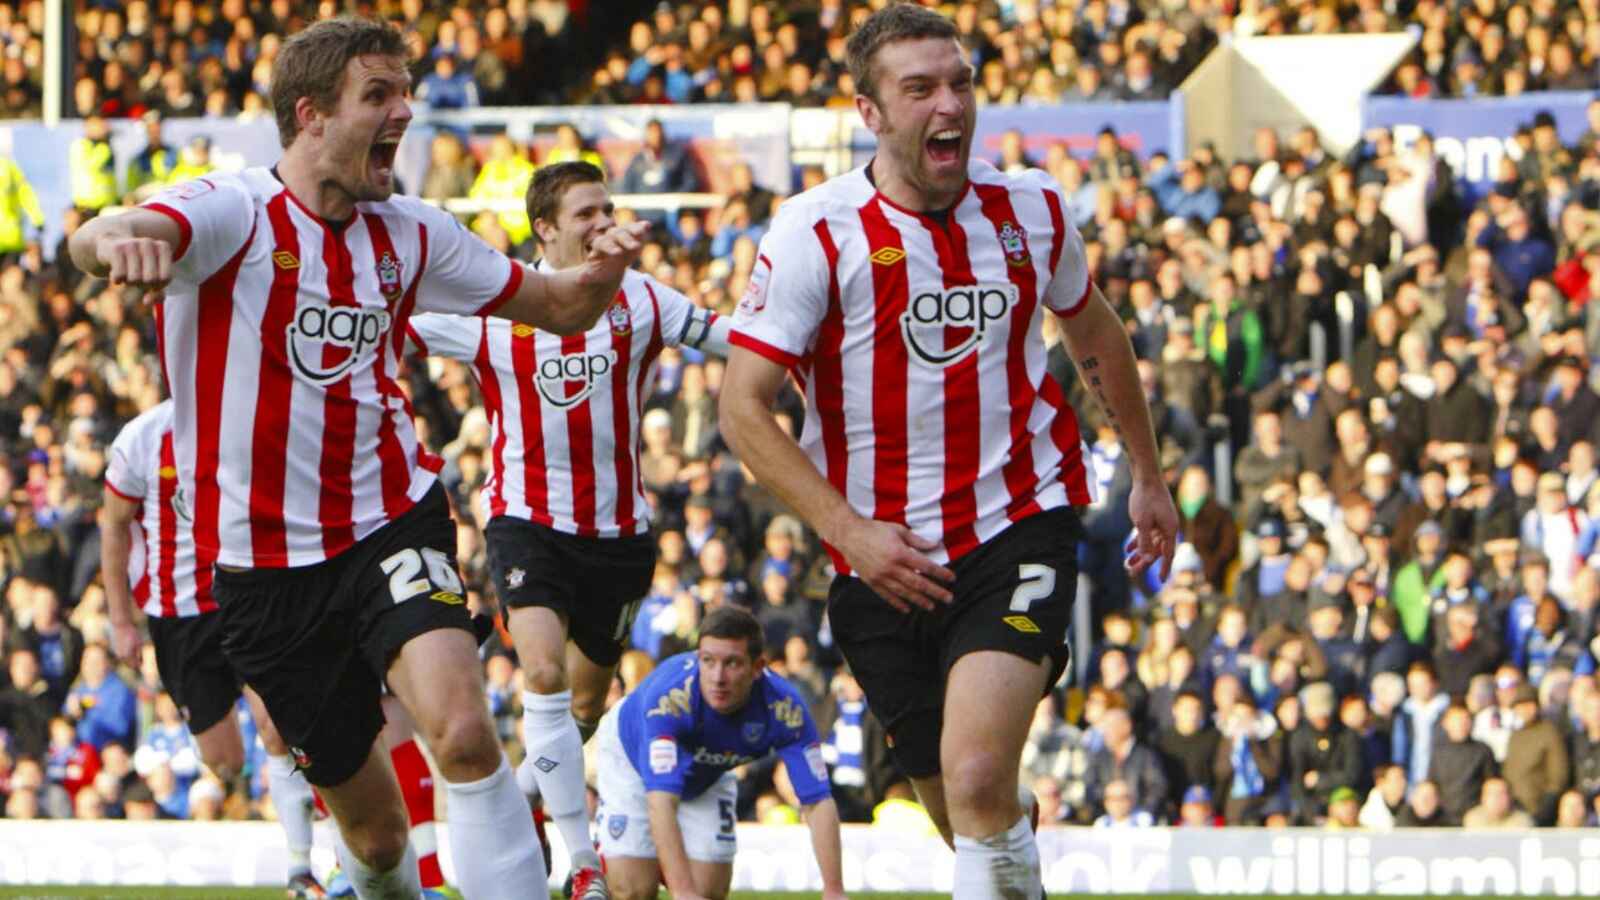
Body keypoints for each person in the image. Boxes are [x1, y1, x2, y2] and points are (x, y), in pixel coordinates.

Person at [68, 17, 648, 900]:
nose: (404, 113)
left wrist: (601, 271)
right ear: (311, 115)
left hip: (389, 520)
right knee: (376, 840)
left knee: (463, 735)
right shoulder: (231, 211)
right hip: (264, 572)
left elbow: (557, 306)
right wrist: (114, 242)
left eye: (405, 94)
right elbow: (104, 232)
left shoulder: (412, 232)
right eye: (378, 95)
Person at [719, 6, 1178, 897]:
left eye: (961, 84)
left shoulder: (1032, 208)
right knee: (965, 810)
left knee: (973, 778)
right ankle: (1010, 845)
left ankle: (995, 822)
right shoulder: (815, 230)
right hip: (880, 557)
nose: (951, 106)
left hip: (1018, 519)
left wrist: (1148, 478)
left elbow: (1094, 329)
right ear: (870, 112)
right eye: (920, 88)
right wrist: (849, 532)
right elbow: (742, 410)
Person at [405, 160, 731, 899]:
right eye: (585, 214)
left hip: (619, 533)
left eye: (607, 210)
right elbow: (395, 328)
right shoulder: (495, 310)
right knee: (544, 679)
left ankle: (520, 797)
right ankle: (583, 865)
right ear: (544, 229)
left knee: (581, 710)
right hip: (527, 522)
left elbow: (729, 339)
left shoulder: (642, 297)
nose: (602, 224)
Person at [102, 399, 326, 898]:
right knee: (224, 761)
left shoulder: (244, 416)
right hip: (178, 617)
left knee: (278, 727)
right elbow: (113, 525)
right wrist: (120, 619)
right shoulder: (141, 439)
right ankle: (278, 809)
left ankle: (303, 866)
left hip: (246, 597)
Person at [594, 606, 846, 900]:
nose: (717, 677)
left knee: (709, 891)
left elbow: (817, 800)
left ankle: (662, 864)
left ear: (757, 667)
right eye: (708, 661)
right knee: (635, 891)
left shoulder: (785, 709)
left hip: (708, 773)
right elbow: (661, 801)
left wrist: (834, 890)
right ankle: (603, 866)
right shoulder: (670, 699)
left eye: (732, 663)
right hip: (632, 761)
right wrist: (683, 892)